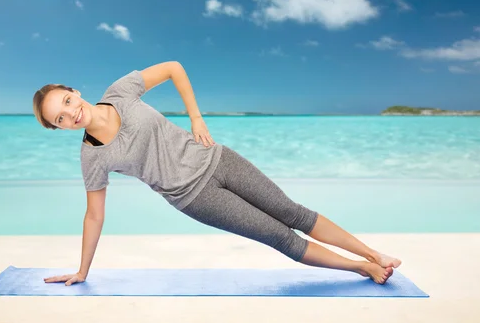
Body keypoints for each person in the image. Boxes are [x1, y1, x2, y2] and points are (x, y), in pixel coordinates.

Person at [32, 61, 401, 287]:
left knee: (294, 213)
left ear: (74, 91)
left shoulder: (120, 92)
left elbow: (174, 67)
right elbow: (94, 215)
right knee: (280, 237)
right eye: (59, 119)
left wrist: (195, 116)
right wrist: (82, 270)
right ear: (59, 128)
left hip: (219, 159)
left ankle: (375, 255)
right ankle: (362, 269)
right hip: (195, 198)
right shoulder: (91, 157)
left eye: (66, 102)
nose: (70, 114)